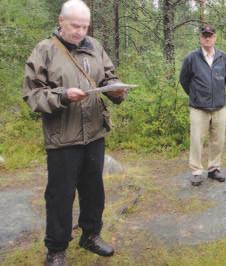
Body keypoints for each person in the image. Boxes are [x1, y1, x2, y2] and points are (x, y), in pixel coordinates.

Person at [23, 1, 127, 265]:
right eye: (75, 26)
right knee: (60, 195)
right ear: (61, 21)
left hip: (94, 134)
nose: (80, 31)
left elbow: (108, 77)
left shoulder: (95, 47)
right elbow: (33, 95)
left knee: (94, 190)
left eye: (84, 26)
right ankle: (56, 250)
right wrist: (63, 96)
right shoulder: (44, 50)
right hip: (62, 138)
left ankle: (91, 235)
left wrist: (115, 88)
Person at [179, 25, 226, 186]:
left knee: (218, 140)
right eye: (204, 35)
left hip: (219, 107)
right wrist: (196, 95)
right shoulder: (191, 58)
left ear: (215, 38)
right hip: (198, 108)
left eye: (210, 35)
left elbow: (225, 78)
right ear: (200, 38)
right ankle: (196, 171)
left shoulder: (223, 57)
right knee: (196, 139)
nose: (207, 38)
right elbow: (184, 80)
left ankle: (214, 168)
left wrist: (216, 95)